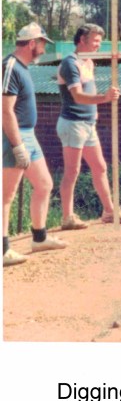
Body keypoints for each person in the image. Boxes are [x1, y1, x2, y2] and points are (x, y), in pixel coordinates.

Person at [57, 23, 121, 229]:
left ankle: (109, 211)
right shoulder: (70, 63)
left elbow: (89, 90)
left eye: (101, 41)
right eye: (95, 41)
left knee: (99, 167)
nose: (99, 45)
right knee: (72, 171)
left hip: (88, 125)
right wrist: (106, 98)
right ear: (82, 40)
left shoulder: (88, 62)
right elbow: (78, 96)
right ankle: (67, 217)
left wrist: (96, 111)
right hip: (73, 124)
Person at [3, 23, 66, 267]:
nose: (43, 47)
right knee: (5, 196)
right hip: (13, 137)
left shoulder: (23, 67)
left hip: (28, 135)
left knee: (44, 183)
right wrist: (17, 146)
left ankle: (39, 238)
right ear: (32, 43)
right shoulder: (9, 66)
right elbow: (5, 111)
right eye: (42, 43)